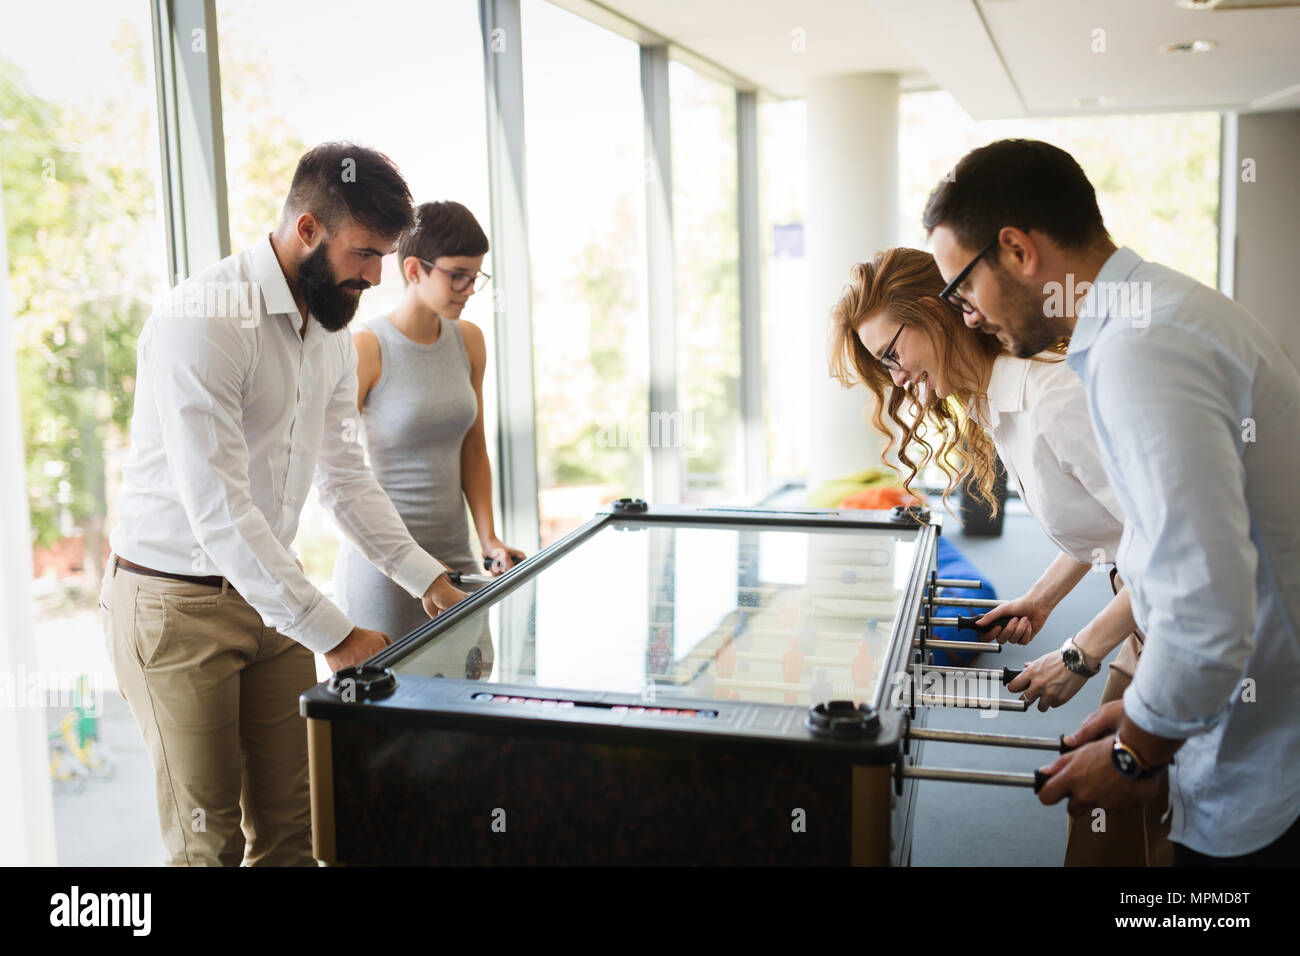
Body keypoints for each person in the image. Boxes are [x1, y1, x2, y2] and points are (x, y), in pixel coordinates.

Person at [923, 138, 1300, 865]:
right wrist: (1146, 708)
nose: (964, 315)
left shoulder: (1141, 350)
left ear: (1016, 250)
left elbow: (1201, 605)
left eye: (961, 287)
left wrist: (1135, 752)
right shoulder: (1159, 311)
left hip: (1267, 763)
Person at [101, 142, 467, 866]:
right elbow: (220, 510)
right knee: (206, 841)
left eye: (384, 257)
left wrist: (427, 578)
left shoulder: (329, 330)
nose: (374, 276)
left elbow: (345, 477)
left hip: (272, 593)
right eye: (364, 253)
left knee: (294, 829)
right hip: (175, 607)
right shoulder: (203, 320)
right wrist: (333, 633)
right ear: (306, 229)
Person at [830, 246, 1170, 864]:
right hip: (1143, 610)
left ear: (937, 313)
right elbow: (1119, 529)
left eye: (892, 353)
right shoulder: (990, 399)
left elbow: (1170, 547)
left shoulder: (1055, 399)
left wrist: (1078, 652)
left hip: (1186, 613)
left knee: (1122, 801)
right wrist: (1042, 600)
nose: (896, 376)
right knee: (1105, 805)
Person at [334, 201, 524, 645]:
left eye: (476, 275)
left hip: (455, 555)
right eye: (458, 274)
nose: (470, 288)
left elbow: (473, 450)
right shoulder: (366, 347)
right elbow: (337, 467)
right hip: (385, 568)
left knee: (466, 697)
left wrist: (489, 539)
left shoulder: (469, 340)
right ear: (414, 269)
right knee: (390, 708)